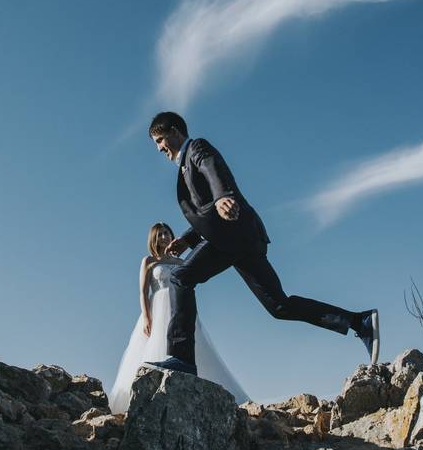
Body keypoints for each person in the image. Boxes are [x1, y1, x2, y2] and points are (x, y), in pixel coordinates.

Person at [144, 111, 380, 376]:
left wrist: (223, 196)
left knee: (180, 278)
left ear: (175, 131)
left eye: (160, 140)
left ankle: (182, 358)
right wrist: (187, 240)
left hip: (232, 235)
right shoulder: (183, 167)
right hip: (241, 239)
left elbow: (212, 168)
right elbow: (206, 212)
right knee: (279, 306)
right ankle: (359, 322)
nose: (159, 148)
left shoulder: (196, 148)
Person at [109, 222, 248, 413]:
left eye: (167, 233)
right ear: (153, 239)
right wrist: (147, 317)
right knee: (152, 349)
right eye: (160, 235)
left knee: (193, 349)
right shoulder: (149, 261)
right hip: (157, 308)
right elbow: (142, 292)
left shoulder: (181, 262)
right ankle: (148, 401)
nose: (164, 237)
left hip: (179, 310)